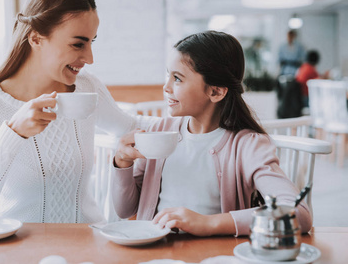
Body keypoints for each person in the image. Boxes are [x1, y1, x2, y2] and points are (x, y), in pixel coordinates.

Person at [0, 0, 154, 223]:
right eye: (78, 44)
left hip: (89, 243)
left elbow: (132, 127)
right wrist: (13, 133)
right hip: (23, 250)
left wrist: (197, 120)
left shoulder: (86, 87)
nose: (89, 58)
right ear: (36, 39)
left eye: (92, 42)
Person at [111, 31, 312, 237]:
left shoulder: (248, 145)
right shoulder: (158, 132)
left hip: (216, 255)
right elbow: (125, 210)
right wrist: (122, 164)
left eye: (177, 79)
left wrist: (208, 223)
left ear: (216, 92)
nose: (166, 87)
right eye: (168, 76)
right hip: (156, 251)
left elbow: (298, 213)